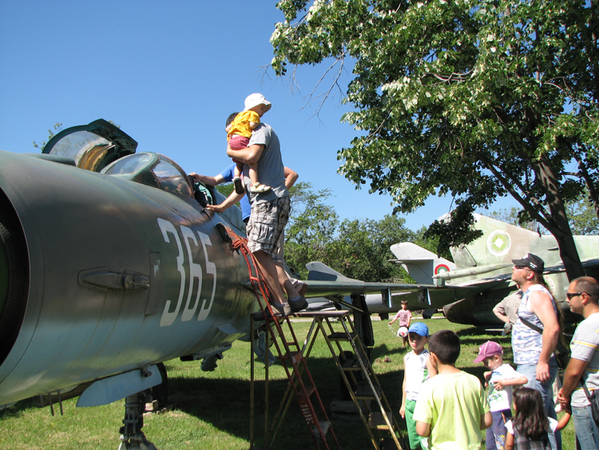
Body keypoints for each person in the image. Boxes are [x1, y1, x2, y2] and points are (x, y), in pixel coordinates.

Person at [206, 111, 306, 316]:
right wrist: (199, 180)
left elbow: (291, 173)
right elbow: (228, 186)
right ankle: (292, 298)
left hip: (267, 210)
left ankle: (282, 301)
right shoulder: (237, 168)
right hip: (254, 216)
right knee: (267, 258)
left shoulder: (259, 158)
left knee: (262, 255)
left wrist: (276, 193)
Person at [510, 253, 561, 449]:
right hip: (530, 364)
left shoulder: (537, 294)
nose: (513, 269)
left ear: (529, 274)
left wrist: (543, 361)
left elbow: (552, 327)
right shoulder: (530, 294)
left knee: (536, 421)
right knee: (544, 418)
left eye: (518, 266)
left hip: (535, 365)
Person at [414, 330, 492, 449]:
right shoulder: (474, 381)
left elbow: (422, 430)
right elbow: (487, 421)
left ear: (433, 358)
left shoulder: (429, 387)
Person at [557, 276, 599, 449]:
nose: (567, 300)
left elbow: (574, 370)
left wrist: (565, 394)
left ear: (584, 297)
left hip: (588, 401)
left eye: (570, 295)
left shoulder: (589, 326)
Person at [474, 341, 528, 450]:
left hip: (501, 410)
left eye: (486, 362)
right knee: (491, 442)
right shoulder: (496, 371)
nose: (484, 365)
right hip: (491, 410)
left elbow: (524, 379)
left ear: (497, 358)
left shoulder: (506, 369)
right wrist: (488, 377)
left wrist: (505, 383)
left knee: (501, 441)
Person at [227, 94, 272, 194]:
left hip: (233, 140)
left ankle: (236, 177)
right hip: (242, 139)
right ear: (253, 106)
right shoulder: (253, 115)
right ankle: (255, 184)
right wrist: (250, 127)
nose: (263, 112)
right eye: (262, 108)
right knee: (252, 163)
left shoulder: (238, 117)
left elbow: (227, 129)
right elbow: (252, 125)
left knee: (239, 163)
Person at [400, 322, 435, 450]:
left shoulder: (428, 358)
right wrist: (403, 404)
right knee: (413, 439)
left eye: (419, 338)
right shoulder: (407, 357)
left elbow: (434, 381)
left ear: (427, 339)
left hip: (423, 403)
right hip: (410, 402)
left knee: (424, 438)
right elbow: (406, 381)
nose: (414, 341)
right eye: (412, 338)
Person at [505, 388, 571, 450]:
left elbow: (509, 444)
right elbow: (560, 425)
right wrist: (568, 412)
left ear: (518, 406)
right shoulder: (542, 420)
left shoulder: (513, 424)